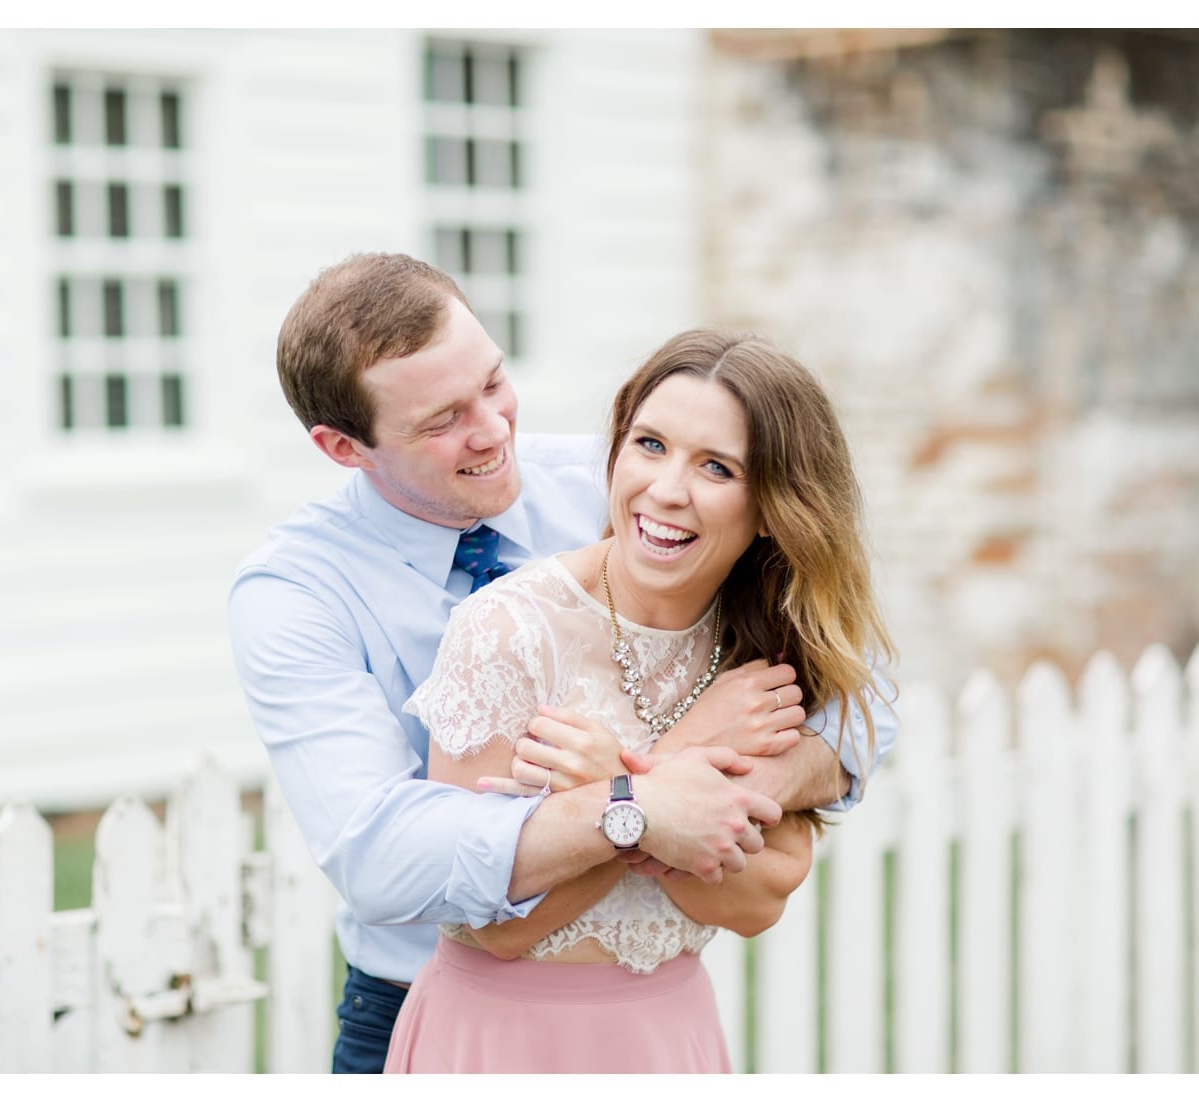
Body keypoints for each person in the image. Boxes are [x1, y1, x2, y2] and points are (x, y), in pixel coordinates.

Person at [228, 253, 897, 1072]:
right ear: (344, 447)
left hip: (646, 1008)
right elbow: (382, 856)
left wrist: (724, 790)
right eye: (442, 421)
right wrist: (647, 793)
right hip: (435, 1008)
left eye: (494, 382)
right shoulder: (295, 592)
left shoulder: (630, 483)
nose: (494, 429)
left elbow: (859, 690)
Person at [382, 328, 896, 1073]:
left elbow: (760, 899)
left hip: (664, 1037)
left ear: (773, 507)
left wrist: (599, 796)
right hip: (497, 1042)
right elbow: (493, 924)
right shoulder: (508, 632)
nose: (667, 489)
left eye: (717, 466)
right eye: (650, 445)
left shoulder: (763, 658)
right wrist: (656, 791)